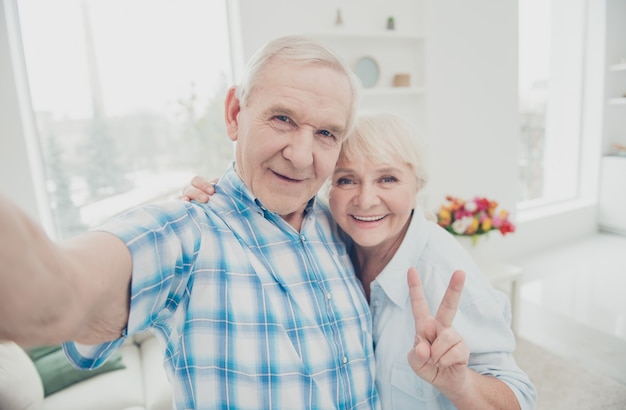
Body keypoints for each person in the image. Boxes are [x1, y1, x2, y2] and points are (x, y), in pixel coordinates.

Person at [0, 35, 380, 409]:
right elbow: (67, 286)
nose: (300, 156)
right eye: (283, 119)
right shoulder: (186, 233)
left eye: (326, 133)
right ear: (235, 114)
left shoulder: (344, 229)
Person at [184, 112, 537, 409]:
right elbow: (265, 207)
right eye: (347, 179)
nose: (366, 200)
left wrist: (461, 384)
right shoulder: (327, 231)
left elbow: (520, 398)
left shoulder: (444, 274)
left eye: (388, 178)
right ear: (328, 190)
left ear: (417, 186)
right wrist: (215, 197)